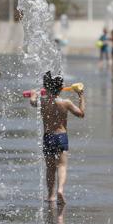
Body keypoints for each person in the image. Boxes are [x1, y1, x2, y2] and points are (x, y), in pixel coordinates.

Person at [29, 71, 84, 204]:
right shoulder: (66, 103)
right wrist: (81, 96)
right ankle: (60, 190)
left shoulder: (42, 101)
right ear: (60, 88)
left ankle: (50, 195)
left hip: (47, 137)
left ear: (46, 87)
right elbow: (81, 114)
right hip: (61, 136)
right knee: (62, 166)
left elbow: (32, 103)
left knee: (50, 168)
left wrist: (33, 95)